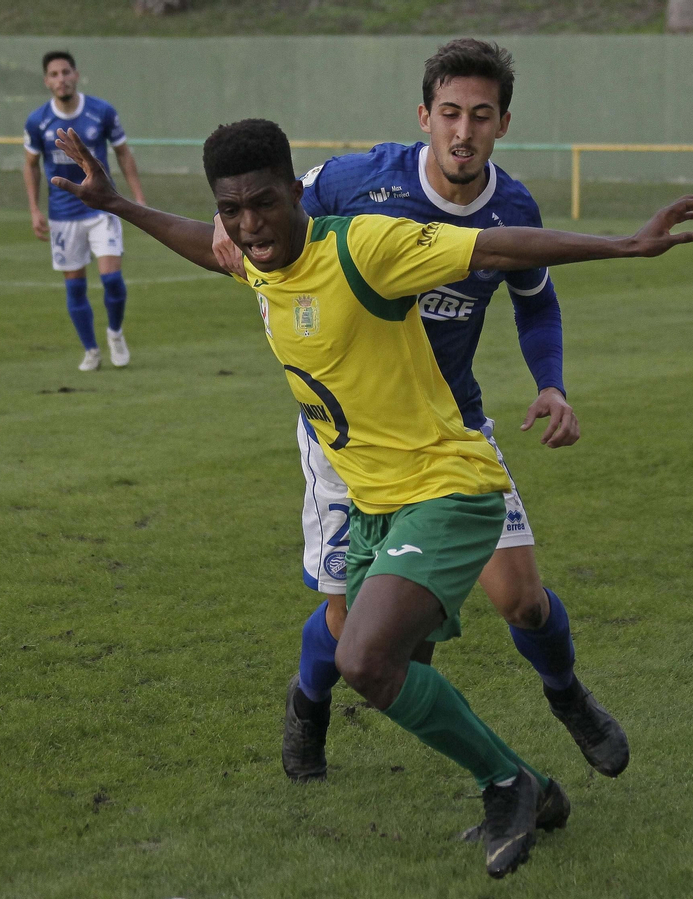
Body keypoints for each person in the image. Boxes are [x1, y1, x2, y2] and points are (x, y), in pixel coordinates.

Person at [49, 117, 693, 877]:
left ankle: (511, 783)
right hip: (374, 504)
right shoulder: (256, 257)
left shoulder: (363, 246)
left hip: (448, 487)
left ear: (295, 192)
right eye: (231, 211)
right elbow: (208, 246)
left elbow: (494, 248)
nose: (247, 225)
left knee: (367, 658)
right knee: (383, 659)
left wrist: (626, 244)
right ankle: (536, 791)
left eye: (262, 204)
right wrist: (119, 204)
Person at [210, 39, 626, 787]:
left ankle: (568, 696)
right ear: (424, 116)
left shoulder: (513, 208)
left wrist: (552, 383)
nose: (463, 132)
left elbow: (536, 302)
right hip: (350, 442)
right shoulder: (359, 180)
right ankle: (308, 703)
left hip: (450, 433)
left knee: (523, 600)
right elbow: (269, 204)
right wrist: (227, 226)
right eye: (449, 114)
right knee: (349, 625)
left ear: (503, 123)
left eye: (480, 115)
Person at [23, 49, 146, 372]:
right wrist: (35, 209)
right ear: (47, 81)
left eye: (66, 72)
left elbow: (123, 154)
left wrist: (138, 198)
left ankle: (115, 332)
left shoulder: (101, 111)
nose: (61, 79)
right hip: (63, 215)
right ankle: (91, 349)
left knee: (112, 279)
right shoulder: (38, 121)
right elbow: (31, 165)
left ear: (76, 75)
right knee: (75, 286)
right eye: (54, 74)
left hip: (102, 207)